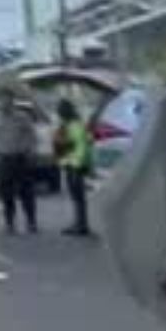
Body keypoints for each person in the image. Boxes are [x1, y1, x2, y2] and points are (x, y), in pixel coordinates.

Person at [0, 91, 39, 234]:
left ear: (12, 101)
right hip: (3, 160)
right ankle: (9, 223)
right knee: (6, 194)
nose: (4, 103)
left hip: (20, 158)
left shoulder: (22, 117)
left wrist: (30, 151)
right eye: (1, 101)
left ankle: (31, 222)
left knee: (26, 193)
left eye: (6, 100)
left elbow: (32, 135)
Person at [54, 99, 92, 236]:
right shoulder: (67, 124)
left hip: (76, 165)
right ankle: (78, 223)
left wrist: (78, 165)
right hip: (70, 163)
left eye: (60, 110)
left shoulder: (75, 125)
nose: (58, 113)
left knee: (78, 196)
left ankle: (81, 225)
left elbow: (82, 146)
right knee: (75, 196)